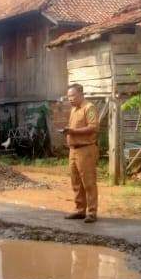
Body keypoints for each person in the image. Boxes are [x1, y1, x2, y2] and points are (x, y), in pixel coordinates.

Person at [62, 84, 99, 224]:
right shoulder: (73, 110)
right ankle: (79, 210)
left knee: (88, 182)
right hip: (73, 150)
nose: (70, 99)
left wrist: (72, 132)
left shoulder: (89, 108)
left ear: (81, 94)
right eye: (69, 97)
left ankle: (92, 212)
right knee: (76, 181)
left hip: (86, 149)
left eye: (73, 96)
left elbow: (93, 127)